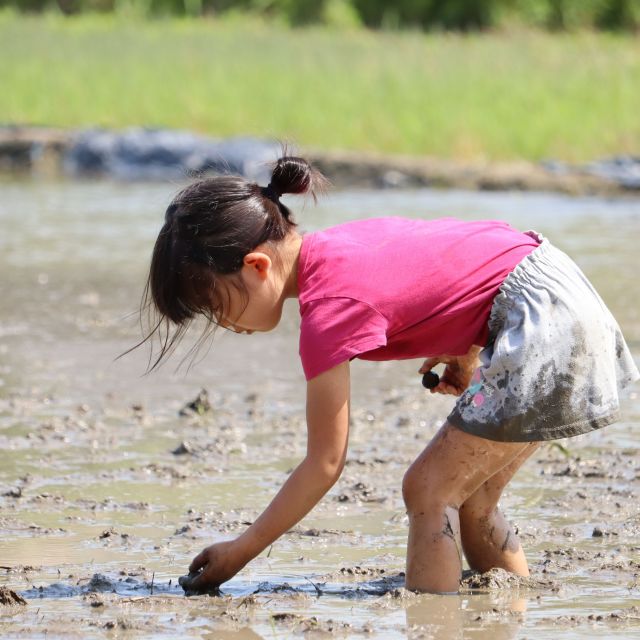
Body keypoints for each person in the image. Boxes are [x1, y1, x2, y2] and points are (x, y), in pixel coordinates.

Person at [139, 156, 639, 595]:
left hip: (538, 328)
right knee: (474, 499)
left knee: (429, 491)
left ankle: (433, 621)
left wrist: (242, 549)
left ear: (256, 266)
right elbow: (458, 261)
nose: (222, 323)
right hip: (559, 294)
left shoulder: (327, 314)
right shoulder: (338, 246)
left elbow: (325, 463)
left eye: (214, 305)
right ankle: (510, 609)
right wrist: (466, 348)